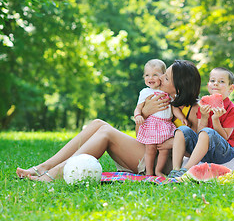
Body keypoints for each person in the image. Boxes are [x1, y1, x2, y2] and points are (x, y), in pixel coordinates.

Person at [16, 60, 201, 181]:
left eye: (165, 77)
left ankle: (52, 176)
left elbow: (196, 145)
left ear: (178, 84)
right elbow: (141, 136)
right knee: (97, 123)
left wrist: (170, 141)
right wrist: (143, 114)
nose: (160, 78)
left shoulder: (193, 108)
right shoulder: (161, 99)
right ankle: (43, 167)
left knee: (107, 133)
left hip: (163, 164)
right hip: (146, 149)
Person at [168, 67, 234, 178]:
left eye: (221, 81)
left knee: (207, 131)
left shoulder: (232, 110)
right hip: (205, 150)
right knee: (181, 130)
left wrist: (215, 120)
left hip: (225, 152)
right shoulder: (203, 105)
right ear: (208, 85)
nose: (216, 84)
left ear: (230, 88)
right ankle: (176, 170)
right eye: (213, 81)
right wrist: (204, 116)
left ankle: (185, 170)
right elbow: (199, 133)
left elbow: (225, 138)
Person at [134, 59, 188, 177]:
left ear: (163, 76)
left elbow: (174, 108)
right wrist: (138, 115)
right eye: (147, 75)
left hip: (166, 125)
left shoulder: (166, 92)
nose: (150, 78)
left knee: (164, 150)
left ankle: (159, 171)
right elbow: (138, 108)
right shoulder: (145, 92)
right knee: (150, 149)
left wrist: (182, 117)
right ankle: (149, 172)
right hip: (152, 125)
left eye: (155, 75)